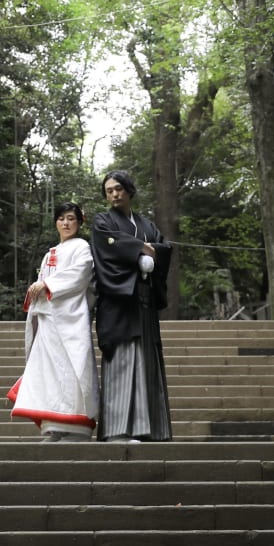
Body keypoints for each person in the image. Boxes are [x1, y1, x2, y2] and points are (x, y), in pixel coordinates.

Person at [89, 170, 172, 441]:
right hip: (119, 302)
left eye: (118, 189)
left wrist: (152, 252)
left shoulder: (146, 224)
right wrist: (140, 251)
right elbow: (107, 248)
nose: (114, 194)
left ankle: (151, 429)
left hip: (144, 303)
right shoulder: (103, 222)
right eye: (109, 190)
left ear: (129, 191)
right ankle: (117, 431)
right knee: (122, 362)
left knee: (147, 362)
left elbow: (163, 247)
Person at [8, 201, 99, 441]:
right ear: (56, 222)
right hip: (48, 321)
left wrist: (47, 285)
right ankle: (52, 425)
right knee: (48, 373)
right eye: (61, 218)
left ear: (79, 222)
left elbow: (80, 275)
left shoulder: (82, 248)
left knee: (73, 369)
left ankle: (77, 426)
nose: (66, 223)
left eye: (71, 218)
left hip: (71, 319)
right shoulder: (50, 253)